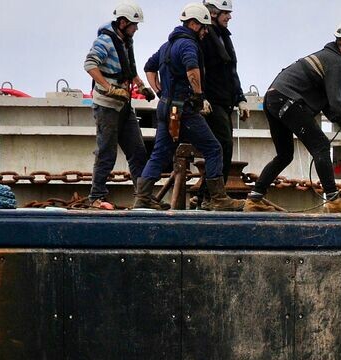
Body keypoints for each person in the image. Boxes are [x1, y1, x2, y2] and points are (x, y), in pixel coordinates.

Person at [245, 21, 341, 214]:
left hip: (273, 99)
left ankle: (254, 199)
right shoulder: (334, 60)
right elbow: (338, 103)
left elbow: (330, 108)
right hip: (287, 100)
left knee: (284, 155)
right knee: (321, 146)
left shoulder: (325, 58)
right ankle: (334, 201)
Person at [133, 2, 240, 211]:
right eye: (203, 27)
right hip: (184, 110)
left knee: (160, 152)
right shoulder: (188, 45)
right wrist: (199, 96)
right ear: (193, 24)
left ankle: (142, 197)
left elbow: (149, 67)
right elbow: (192, 70)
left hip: (166, 108)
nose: (205, 32)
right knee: (214, 148)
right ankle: (217, 198)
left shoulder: (167, 46)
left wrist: (159, 92)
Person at [83, 2, 155, 210]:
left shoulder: (125, 42)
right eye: (134, 24)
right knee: (106, 152)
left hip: (124, 105)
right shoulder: (105, 41)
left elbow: (128, 69)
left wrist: (141, 86)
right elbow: (89, 64)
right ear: (123, 23)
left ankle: (143, 197)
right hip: (107, 106)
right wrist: (108, 88)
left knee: (137, 151)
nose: (136, 29)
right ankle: (96, 197)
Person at [200, 0, 247, 181]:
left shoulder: (224, 37)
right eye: (225, 12)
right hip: (212, 102)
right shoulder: (204, 38)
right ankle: (212, 195)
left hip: (224, 102)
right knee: (221, 147)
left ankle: (211, 194)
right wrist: (202, 98)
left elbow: (231, 71)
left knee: (223, 148)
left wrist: (240, 98)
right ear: (213, 13)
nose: (229, 16)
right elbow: (197, 69)